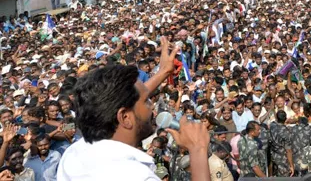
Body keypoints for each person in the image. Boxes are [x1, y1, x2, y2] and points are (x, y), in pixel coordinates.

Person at [56, 37, 212, 181]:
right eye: (146, 102)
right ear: (124, 117)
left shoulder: (74, 154)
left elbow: (125, 98)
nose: (152, 106)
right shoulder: (136, 176)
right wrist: (198, 148)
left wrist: (163, 71)